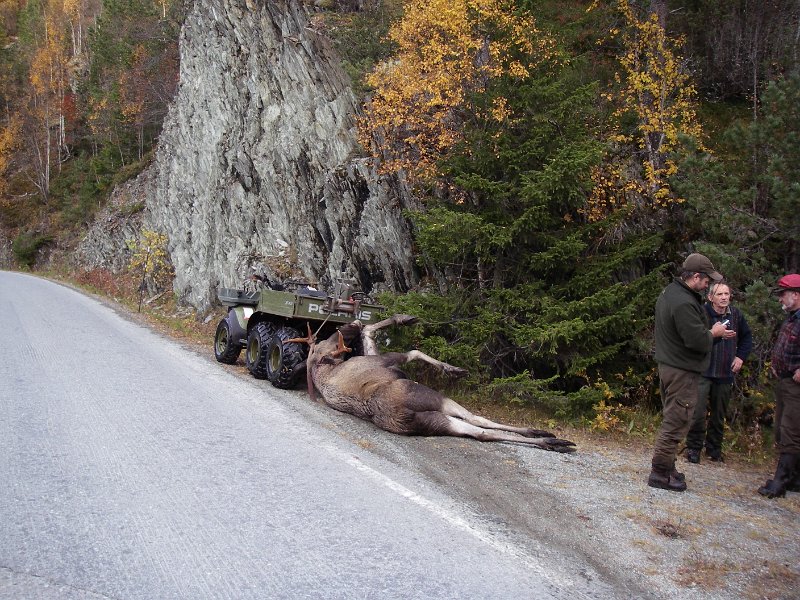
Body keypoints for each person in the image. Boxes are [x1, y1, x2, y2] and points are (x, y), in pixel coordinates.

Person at [648, 253, 735, 492]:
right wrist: (714, 334)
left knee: (673, 417)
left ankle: (668, 467)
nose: (709, 284)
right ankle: (660, 473)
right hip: (681, 371)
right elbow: (695, 339)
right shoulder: (684, 302)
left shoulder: (670, 293)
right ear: (695, 276)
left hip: (671, 366)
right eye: (707, 279)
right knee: (676, 422)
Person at [685, 282, 753, 463]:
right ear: (710, 297)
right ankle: (693, 448)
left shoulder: (736, 315)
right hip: (703, 370)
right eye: (719, 294)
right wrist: (713, 334)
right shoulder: (702, 313)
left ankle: (714, 449)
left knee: (719, 414)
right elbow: (694, 337)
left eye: (726, 294)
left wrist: (740, 357)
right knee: (697, 413)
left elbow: (747, 338)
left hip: (725, 371)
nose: (724, 298)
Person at [758, 274, 800, 498]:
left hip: (796, 385)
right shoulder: (793, 318)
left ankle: (781, 482)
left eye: (783, 294)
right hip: (785, 381)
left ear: (796, 294)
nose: (780, 299)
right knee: (784, 429)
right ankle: (794, 479)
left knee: (790, 432)